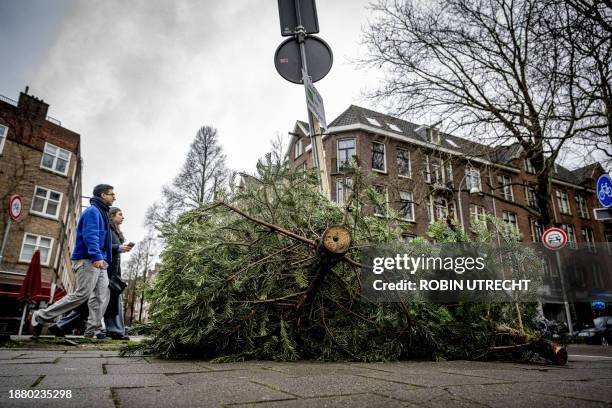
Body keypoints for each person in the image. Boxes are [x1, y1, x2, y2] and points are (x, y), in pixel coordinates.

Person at [31, 184, 115, 335]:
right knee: (82, 294)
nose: (114, 197)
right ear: (103, 195)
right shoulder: (93, 212)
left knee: (100, 296)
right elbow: (91, 235)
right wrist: (96, 256)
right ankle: (41, 315)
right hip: (88, 259)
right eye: (111, 194)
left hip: (101, 261)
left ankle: (92, 331)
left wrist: (103, 259)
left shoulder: (102, 213)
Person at [104, 207, 131, 340]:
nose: (123, 217)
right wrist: (119, 247)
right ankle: (62, 323)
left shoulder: (115, 231)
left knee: (114, 300)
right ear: (112, 216)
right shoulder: (107, 228)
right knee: (86, 300)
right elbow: (103, 245)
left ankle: (116, 330)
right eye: (120, 214)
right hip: (106, 270)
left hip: (114, 271)